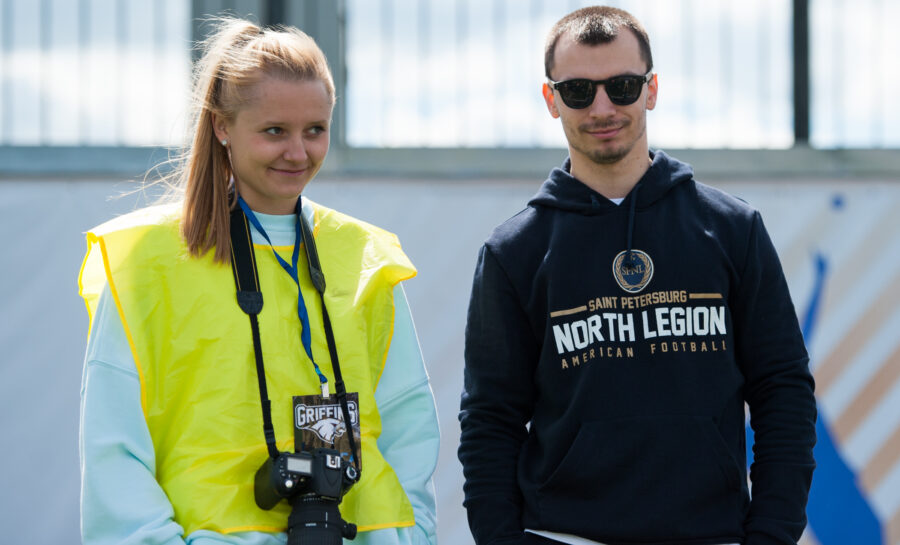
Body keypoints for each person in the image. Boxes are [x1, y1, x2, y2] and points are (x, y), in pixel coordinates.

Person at [458, 6, 816, 545]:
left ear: (651, 90)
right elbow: (489, 422)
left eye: (622, 87)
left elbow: (783, 391)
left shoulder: (732, 230)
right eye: (578, 91)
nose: (602, 107)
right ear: (551, 100)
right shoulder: (515, 251)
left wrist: (771, 534)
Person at [78, 18, 438, 545]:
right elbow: (112, 447)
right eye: (275, 131)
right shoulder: (146, 259)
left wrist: (412, 534)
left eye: (315, 130)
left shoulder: (365, 255)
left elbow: (409, 421)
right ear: (222, 126)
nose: (298, 152)